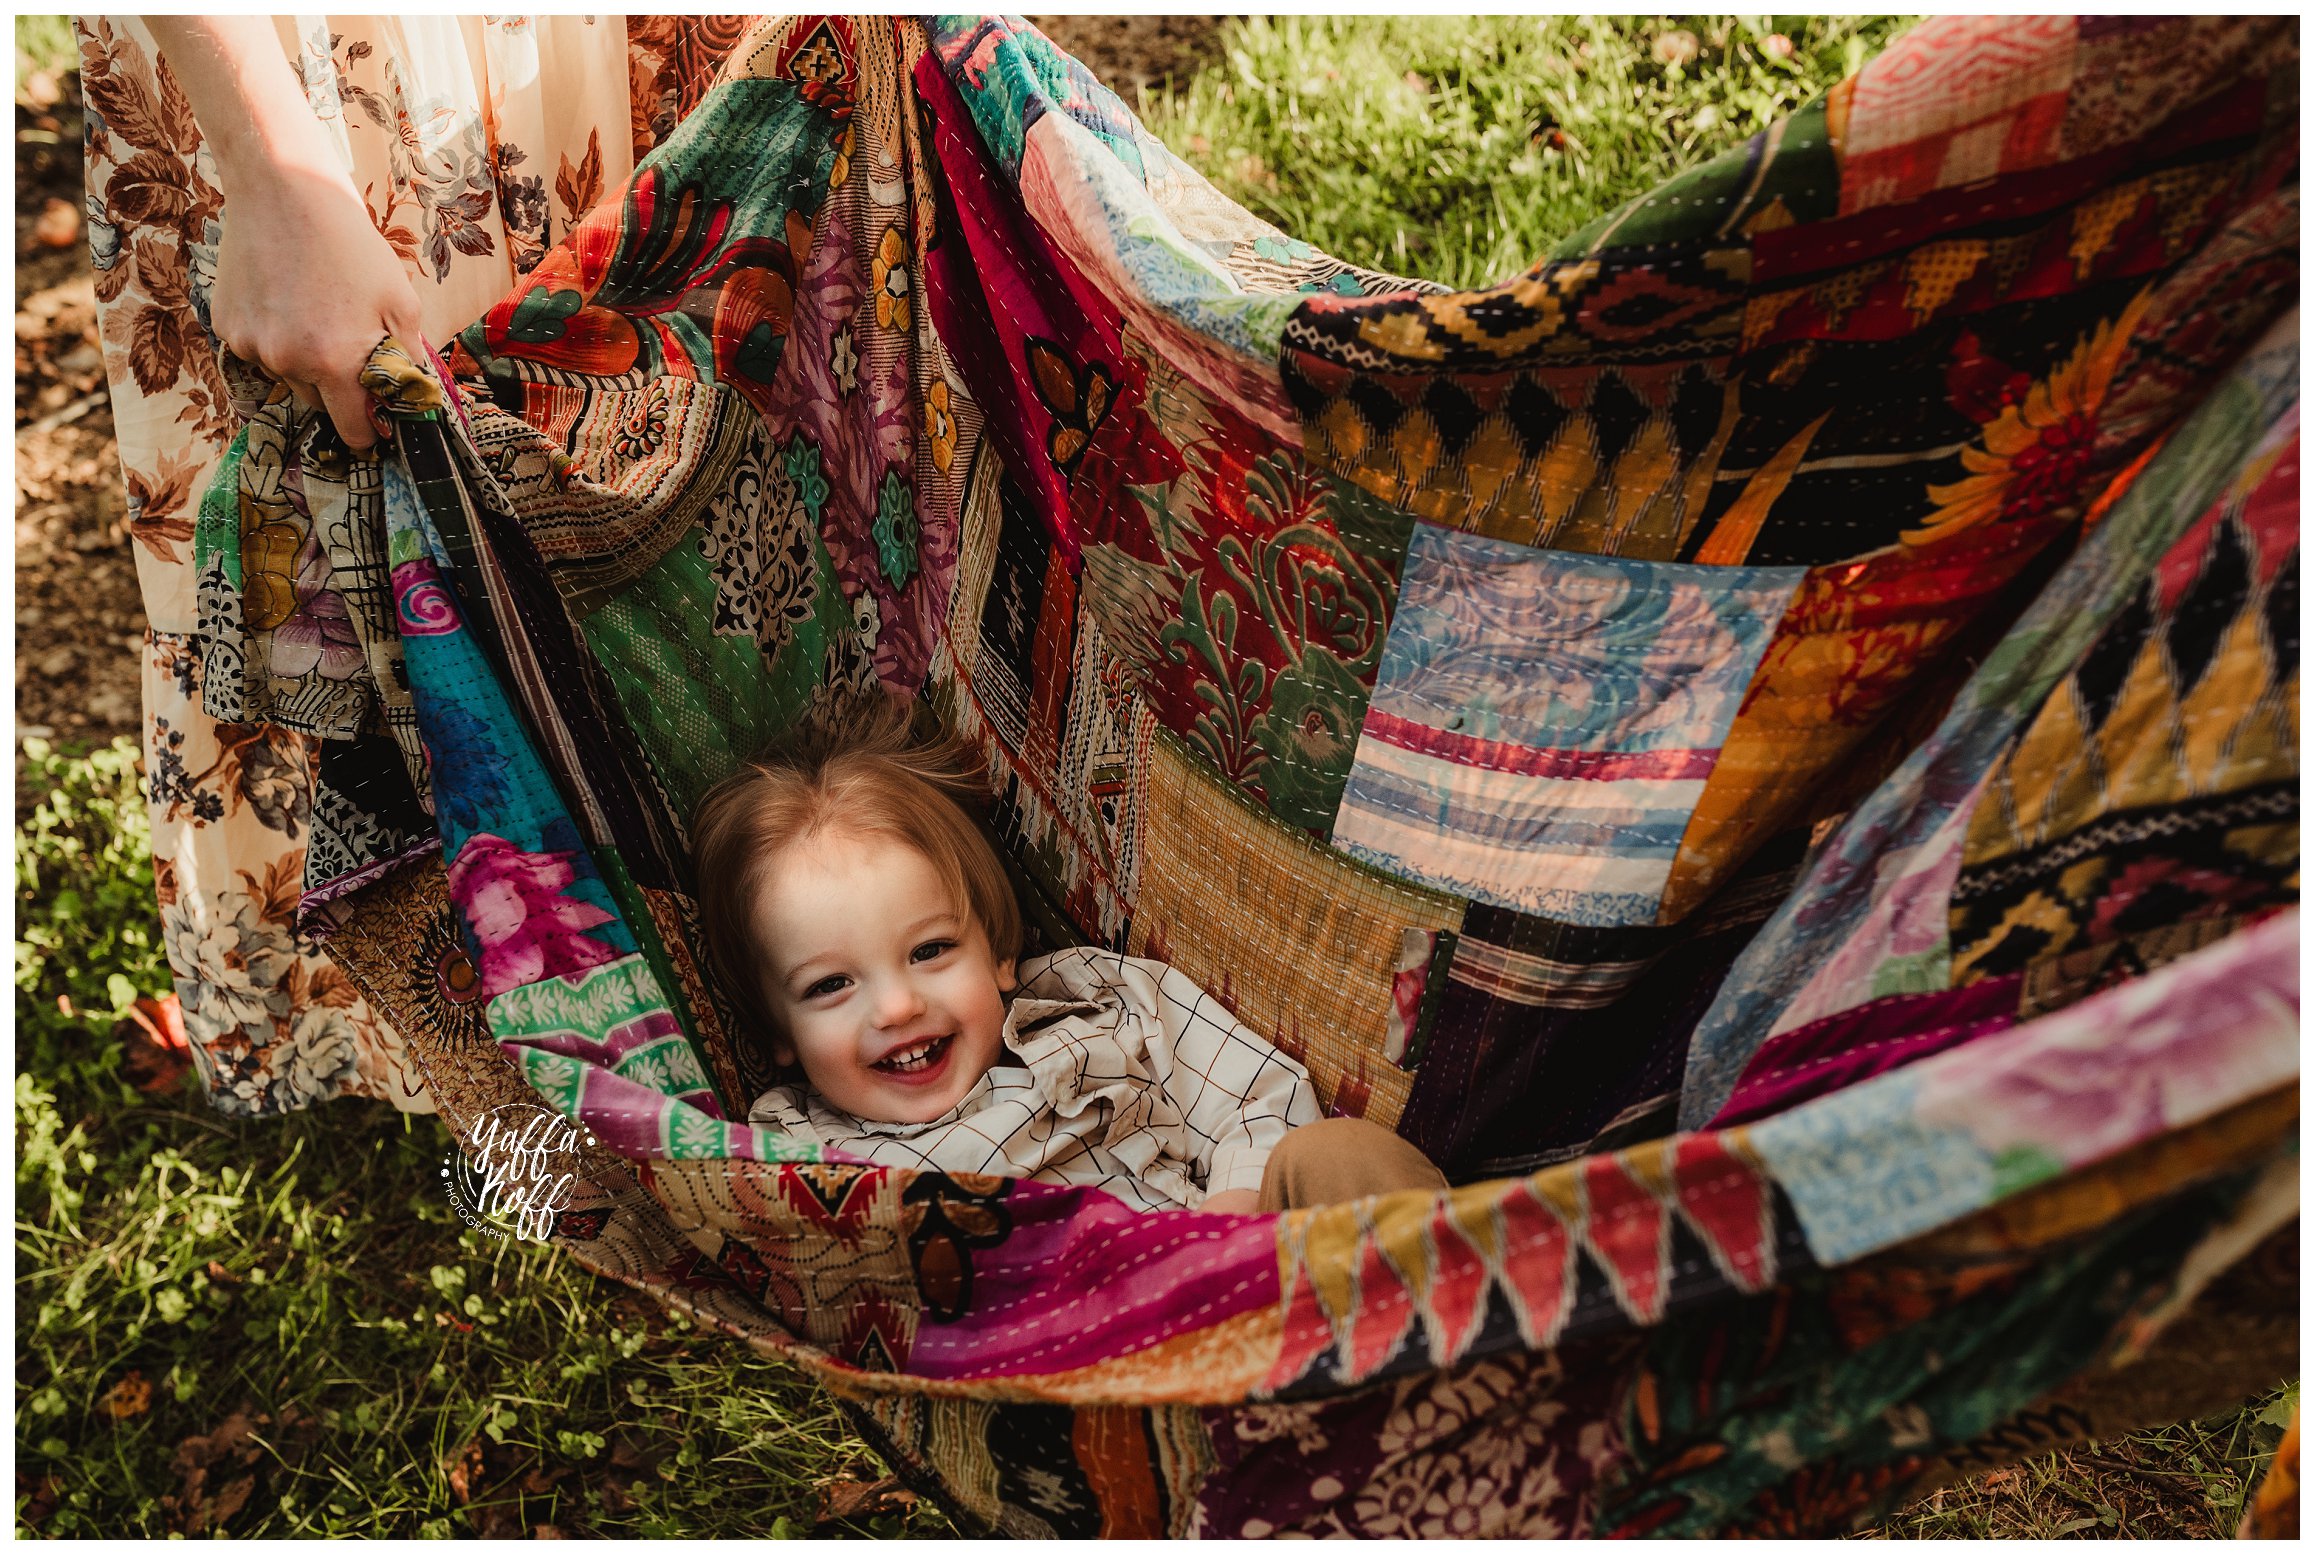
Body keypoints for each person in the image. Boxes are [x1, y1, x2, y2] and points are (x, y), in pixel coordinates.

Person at [693, 696, 1450, 1215]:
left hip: (1229, 1283)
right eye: (829, 984)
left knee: (1340, 1153)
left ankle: (1472, 1363)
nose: (896, 1007)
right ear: (778, 1032)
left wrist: (1233, 1214)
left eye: (930, 949)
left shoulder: (1101, 1002)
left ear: (996, 949)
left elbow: (1259, 1097)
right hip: (1062, 1364)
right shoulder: (796, 1152)